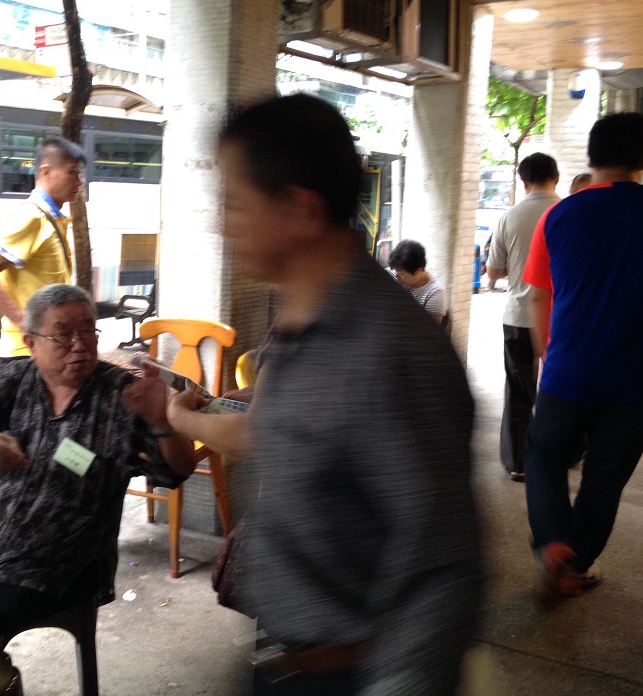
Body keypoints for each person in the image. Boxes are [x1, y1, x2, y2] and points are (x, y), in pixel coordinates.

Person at [165, 94, 480, 695]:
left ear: (301, 209)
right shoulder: (297, 323)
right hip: (282, 654)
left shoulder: (395, 351)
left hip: (351, 676)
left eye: (235, 203)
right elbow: (271, 435)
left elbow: (442, 568)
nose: (221, 224)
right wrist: (187, 417)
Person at [0, 284, 196, 653]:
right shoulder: (18, 378)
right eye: (63, 334)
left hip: (66, 561)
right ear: (31, 342)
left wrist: (161, 421)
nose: (79, 344)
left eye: (88, 331)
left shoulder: (122, 394)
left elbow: (178, 471)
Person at [522, 112, 643, 600]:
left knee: (544, 455)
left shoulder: (558, 215)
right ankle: (575, 560)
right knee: (605, 476)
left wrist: (546, 354)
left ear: (590, 156)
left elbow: (538, 295)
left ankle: (553, 545)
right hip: (633, 379)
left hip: (566, 371)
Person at [0, 138, 85, 372]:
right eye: (73, 173)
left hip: (45, 353)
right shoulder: (32, 216)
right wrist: (27, 325)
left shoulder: (52, 218)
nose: (79, 182)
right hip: (25, 357)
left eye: (80, 174)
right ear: (46, 171)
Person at [486, 152, 560, 482]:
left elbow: (493, 270)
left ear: (522, 180)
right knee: (562, 388)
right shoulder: (568, 211)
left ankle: (518, 462)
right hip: (561, 318)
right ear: (556, 178)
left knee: (518, 389)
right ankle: (565, 453)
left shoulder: (509, 216)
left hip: (518, 314)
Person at [387, 238, 448, 325]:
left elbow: (430, 330)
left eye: (401, 274)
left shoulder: (435, 293)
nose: (397, 276)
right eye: (395, 271)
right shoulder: (395, 273)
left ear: (418, 270)